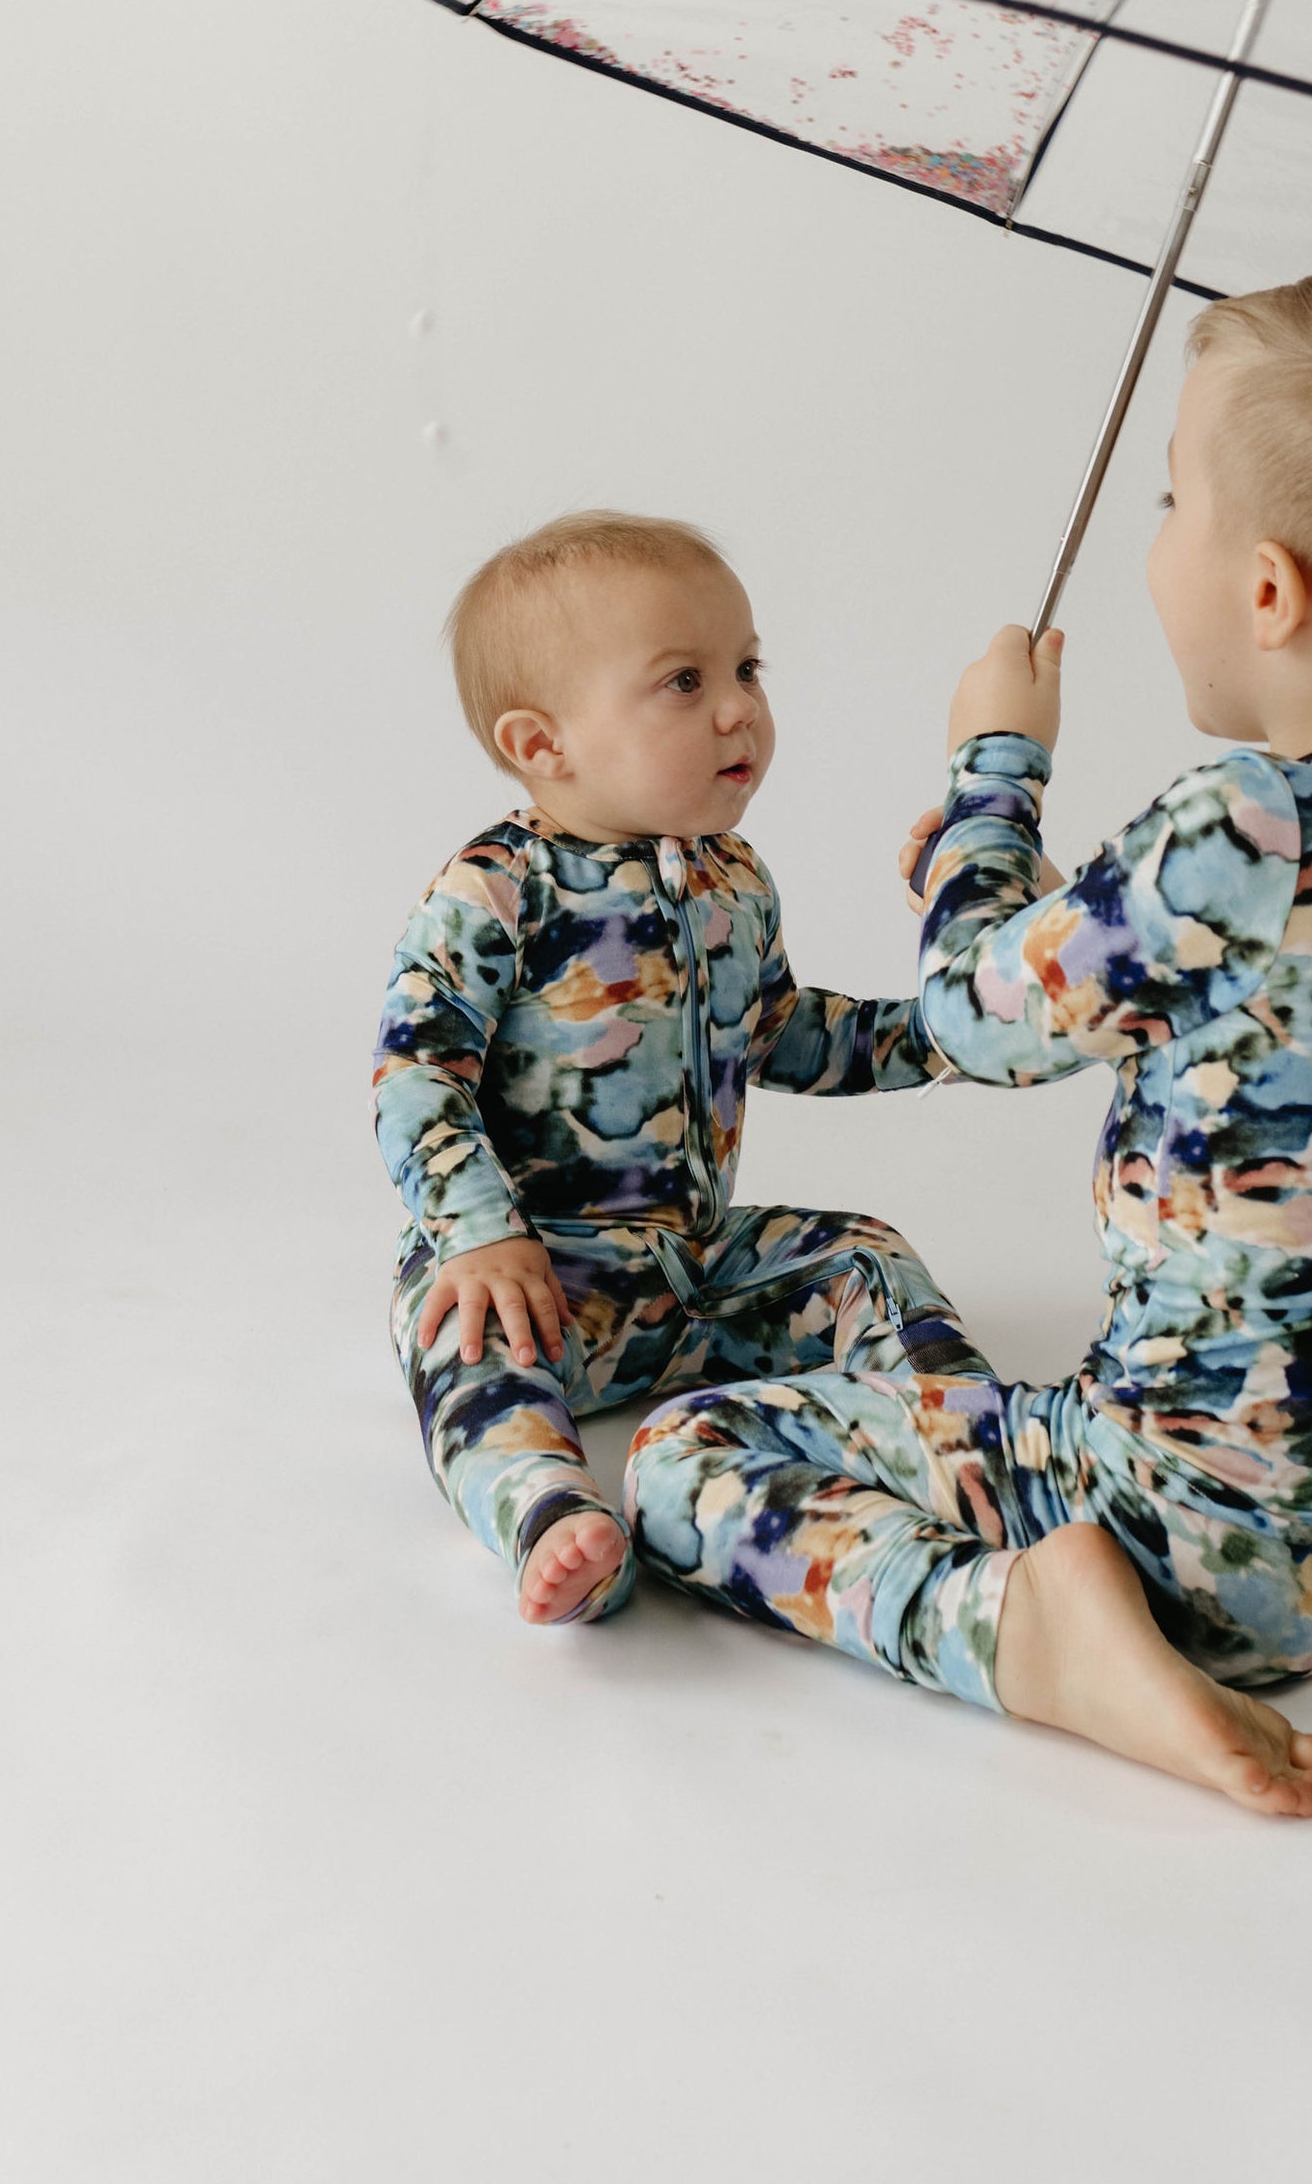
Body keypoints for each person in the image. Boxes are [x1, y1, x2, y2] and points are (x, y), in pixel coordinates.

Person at [625, 262, 1312, 1815]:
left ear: (1268, 592)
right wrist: (1040, 897)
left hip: (1194, 1546)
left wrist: (992, 774)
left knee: (684, 1462)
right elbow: (1226, 1016)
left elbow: (974, 1009)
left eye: (1171, 504)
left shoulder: (1238, 826)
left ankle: (1034, 1639)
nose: (1152, 541)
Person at [373, 510, 961, 1627]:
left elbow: (782, 1031)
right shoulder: (497, 889)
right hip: (539, 1272)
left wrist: (943, 1034)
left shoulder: (733, 880)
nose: (739, 705)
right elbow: (415, 1074)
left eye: (745, 667)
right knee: (457, 1342)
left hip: (693, 1274)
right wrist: (478, 1231)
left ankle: (955, 1425)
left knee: (862, 1252)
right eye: (682, 682)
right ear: (542, 745)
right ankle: (547, 1509)